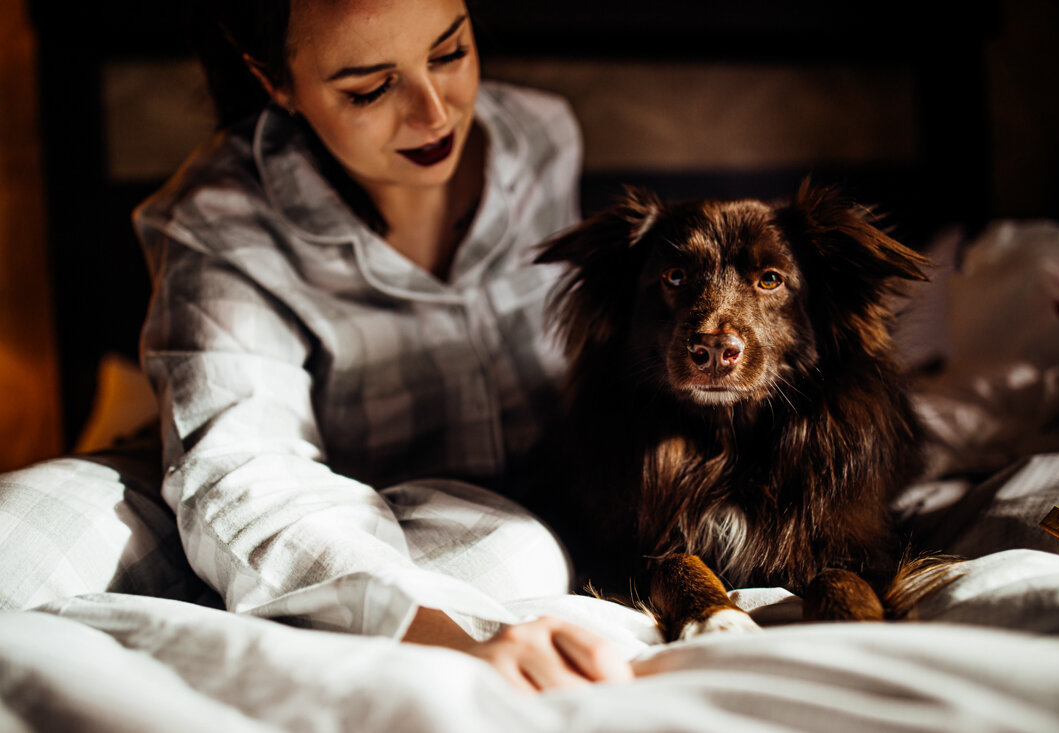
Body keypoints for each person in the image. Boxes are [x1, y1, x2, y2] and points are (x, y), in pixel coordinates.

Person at [0, 0, 633, 693]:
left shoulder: (541, 139)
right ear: (275, 82)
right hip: (247, 475)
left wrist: (432, 629)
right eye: (369, 88)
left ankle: (263, 607)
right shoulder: (222, 214)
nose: (433, 114)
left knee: (517, 554)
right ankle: (275, 588)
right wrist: (452, 638)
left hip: (467, 511)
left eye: (448, 52)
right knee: (20, 523)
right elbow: (243, 465)